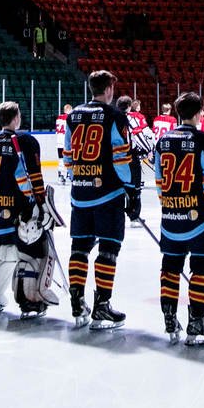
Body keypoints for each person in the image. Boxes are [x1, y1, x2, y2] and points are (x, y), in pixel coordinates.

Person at [154, 93, 204, 347]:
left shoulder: (163, 140)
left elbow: (159, 182)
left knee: (170, 268)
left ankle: (169, 319)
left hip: (171, 217)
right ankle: (196, 323)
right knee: (200, 269)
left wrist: (169, 206)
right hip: (202, 219)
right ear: (199, 113)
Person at [64, 71, 138, 329]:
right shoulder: (116, 115)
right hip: (108, 194)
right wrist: (132, 189)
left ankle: (76, 301)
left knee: (79, 248)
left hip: (80, 194)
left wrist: (80, 178)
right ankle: (102, 307)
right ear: (108, 89)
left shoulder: (73, 116)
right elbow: (121, 157)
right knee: (108, 249)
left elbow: (68, 157)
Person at [0, 100, 54, 316]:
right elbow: (26, 177)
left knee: (1, 250)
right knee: (31, 253)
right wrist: (37, 203)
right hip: (16, 210)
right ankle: (30, 302)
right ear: (16, 118)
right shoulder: (23, 141)